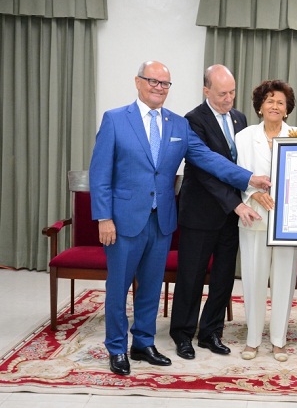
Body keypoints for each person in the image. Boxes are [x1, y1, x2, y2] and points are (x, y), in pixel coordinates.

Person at [89, 60, 269, 376]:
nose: (159, 88)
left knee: (150, 288)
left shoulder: (177, 124)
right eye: (153, 81)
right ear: (138, 81)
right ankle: (117, 347)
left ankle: (143, 343)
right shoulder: (116, 119)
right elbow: (100, 173)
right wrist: (104, 217)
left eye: (165, 83)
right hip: (124, 220)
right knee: (118, 288)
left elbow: (207, 159)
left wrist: (249, 178)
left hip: (162, 221)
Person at [169, 65, 249, 360]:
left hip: (231, 216)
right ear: (206, 91)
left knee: (223, 276)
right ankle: (182, 333)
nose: (229, 98)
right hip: (201, 213)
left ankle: (211, 332)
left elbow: (240, 163)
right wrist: (235, 203)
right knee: (191, 275)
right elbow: (206, 170)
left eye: (232, 92)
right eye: (222, 93)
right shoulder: (193, 120)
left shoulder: (239, 118)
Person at [235, 80, 297, 362]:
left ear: (287, 110)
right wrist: (254, 193)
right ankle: (252, 340)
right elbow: (235, 173)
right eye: (269, 100)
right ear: (260, 106)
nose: (275, 106)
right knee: (252, 278)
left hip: (289, 221)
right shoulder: (243, 136)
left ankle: (278, 340)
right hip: (254, 216)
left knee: (284, 280)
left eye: (280, 102)